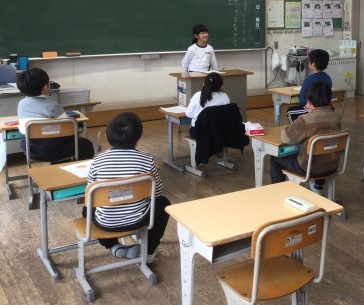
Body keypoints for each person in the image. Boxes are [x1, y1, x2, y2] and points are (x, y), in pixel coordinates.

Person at [85, 113, 171, 263]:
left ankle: (113, 246)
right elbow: (157, 192)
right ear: (138, 138)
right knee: (164, 203)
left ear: (107, 137)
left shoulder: (98, 161)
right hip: (138, 220)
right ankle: (149, 251)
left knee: (87, 209)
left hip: (105, 223)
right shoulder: (147, 159)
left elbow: (90, 197)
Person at [270, 82, 341, 193]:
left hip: (310, 168)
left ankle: (277, 193)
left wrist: (293, 125)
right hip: (332, 165)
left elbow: (285, 138)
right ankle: (317, 185)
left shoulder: (305, 119)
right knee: (322, 152)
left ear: (310, 102)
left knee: (275, 157)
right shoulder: (337, 117)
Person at [16, 68, 95, 162]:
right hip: (53, 150)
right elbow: (68, 129)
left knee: (58, 139)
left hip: (30, 150)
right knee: (85, 144)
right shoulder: (53, 106)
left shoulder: (21, 104)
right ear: (45, 87)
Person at [286, 48, 332, 123]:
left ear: (313, 64)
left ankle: (297, 127)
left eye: (309, 61)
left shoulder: (308, 80)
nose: (308, 63)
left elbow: (302, 101)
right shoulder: (328, 78)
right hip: (325, 107)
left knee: (290, 111)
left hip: (311, 107)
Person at [185, 72, 230, 138]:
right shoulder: (225, 97)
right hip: (219, 131)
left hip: (199, 132)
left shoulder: (197, 95)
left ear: (204, 84)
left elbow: (189, 114)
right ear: (221, 86)